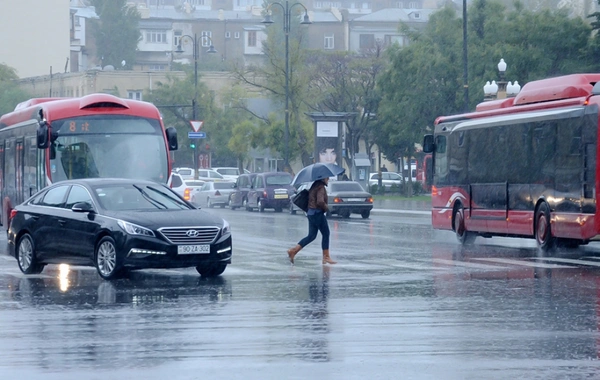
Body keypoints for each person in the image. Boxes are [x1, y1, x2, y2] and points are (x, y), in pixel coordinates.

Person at [287, 178, 337, 265]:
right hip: (317, 213)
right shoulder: (320, 187)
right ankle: (326, 257)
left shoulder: (314, 185)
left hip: (310, 213)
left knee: (311, 236)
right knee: (326, 233)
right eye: (327, 178)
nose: (328, 179)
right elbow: (320, 201)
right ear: (323, 178)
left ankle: (293, 251)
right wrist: (326, 208)